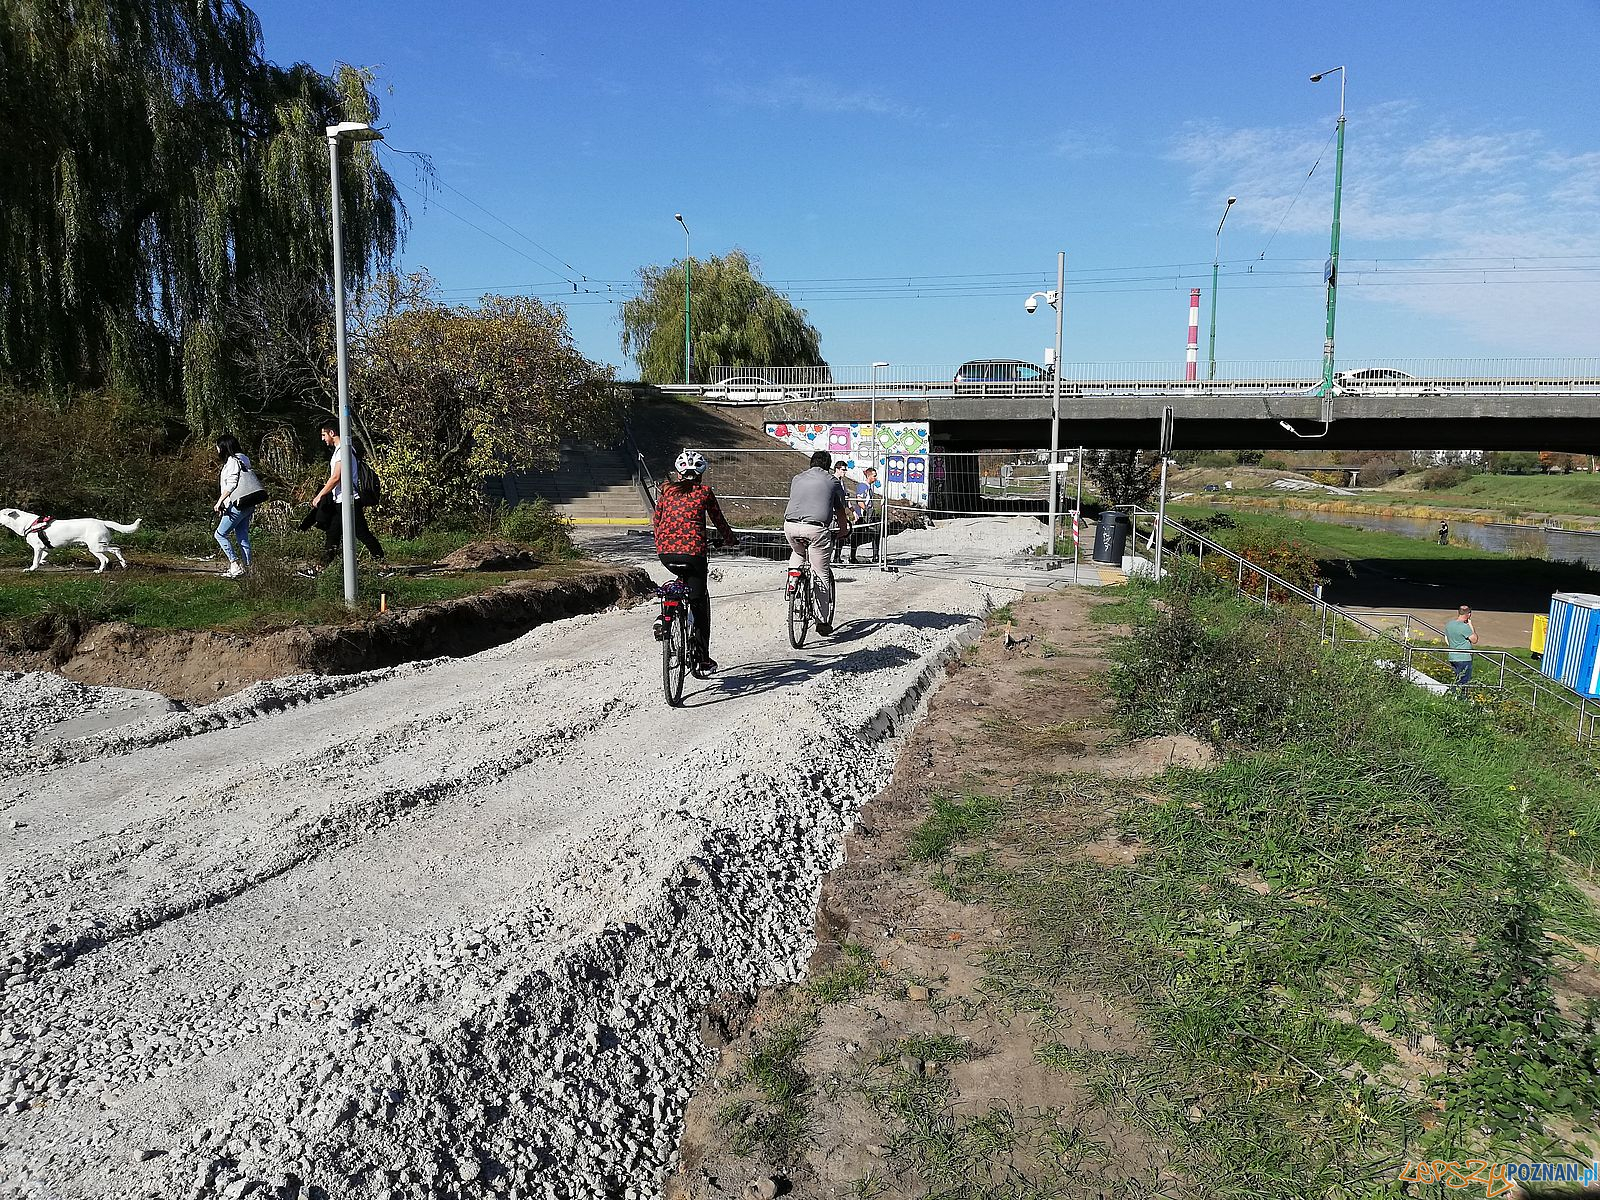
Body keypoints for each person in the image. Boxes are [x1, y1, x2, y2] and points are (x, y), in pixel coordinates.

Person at [652, 449, 739, 675]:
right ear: (700, 474)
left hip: (666, 553)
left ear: (679, 473)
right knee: (698, 602)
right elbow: (718, 520)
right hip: (694, 553)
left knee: (680, 583)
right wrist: (730, 540)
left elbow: (657, 521)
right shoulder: (704, 492)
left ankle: (665, 617)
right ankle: (702, 661)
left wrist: (663, 542)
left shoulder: (666, 491)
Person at [783, 450, 851, 636]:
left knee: (798, 552)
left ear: (811, 463)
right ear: (828, 466)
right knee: (821, 572)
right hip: (816, 529)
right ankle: (822, 621)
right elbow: (840, 510)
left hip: (790, 526)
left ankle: (793, 580)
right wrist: (844, 530)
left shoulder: (797, 478)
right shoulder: (833, 481)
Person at [303, 419, 385, 567]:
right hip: (340, 501)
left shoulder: (343, 451)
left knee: (362, 533)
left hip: (349, 500)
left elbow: (336, 477)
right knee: (333, 534)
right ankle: (321, 567)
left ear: (332, 433)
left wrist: (319, 495)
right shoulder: (343, 450)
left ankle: (383, 564)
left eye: (324, 435)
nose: (323, 439)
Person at [212, 433, 263, 578]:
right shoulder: (243, 458)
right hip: (249, 503)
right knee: (242, 536)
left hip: (237, 504)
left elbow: (232, 484)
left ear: (223, 447)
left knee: (220, 534)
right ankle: (248, 569)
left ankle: (235, 564)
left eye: (218, 446)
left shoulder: (233, 461)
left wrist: (220, 501)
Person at [1445, 604, 1478, 695]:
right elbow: (1474, 639)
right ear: (1469, 614)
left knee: (1456, 679)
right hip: (1464, 658)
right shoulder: (1464, 627)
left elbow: (1447, 639)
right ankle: (1461, 699)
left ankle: (1453, 696)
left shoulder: (1449, 624)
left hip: (1453, 656)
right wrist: (1470, 625)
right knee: (1464, 681)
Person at [850, 466, 880, 565]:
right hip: (863, 515)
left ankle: (876, 555)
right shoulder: (863, 486)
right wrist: (866, 510)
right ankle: (852, 556)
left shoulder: (869, 487)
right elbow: (859, 500)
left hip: (869, 513)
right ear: (869, 475)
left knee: (875, 533)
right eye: (874, 476)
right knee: (858, 535)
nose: (876, 478)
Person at [830, 461, 853, 564]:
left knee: (842, 535)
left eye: (845, 470)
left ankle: (837, 557)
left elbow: (846, 498)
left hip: (841, 512)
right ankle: (827, 559)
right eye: (843, 470)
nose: (845, 472)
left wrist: (852, 511)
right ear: (837, 469)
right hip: (832, 512)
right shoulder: (831, 480)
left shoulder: (842, 482)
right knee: (830, 536)